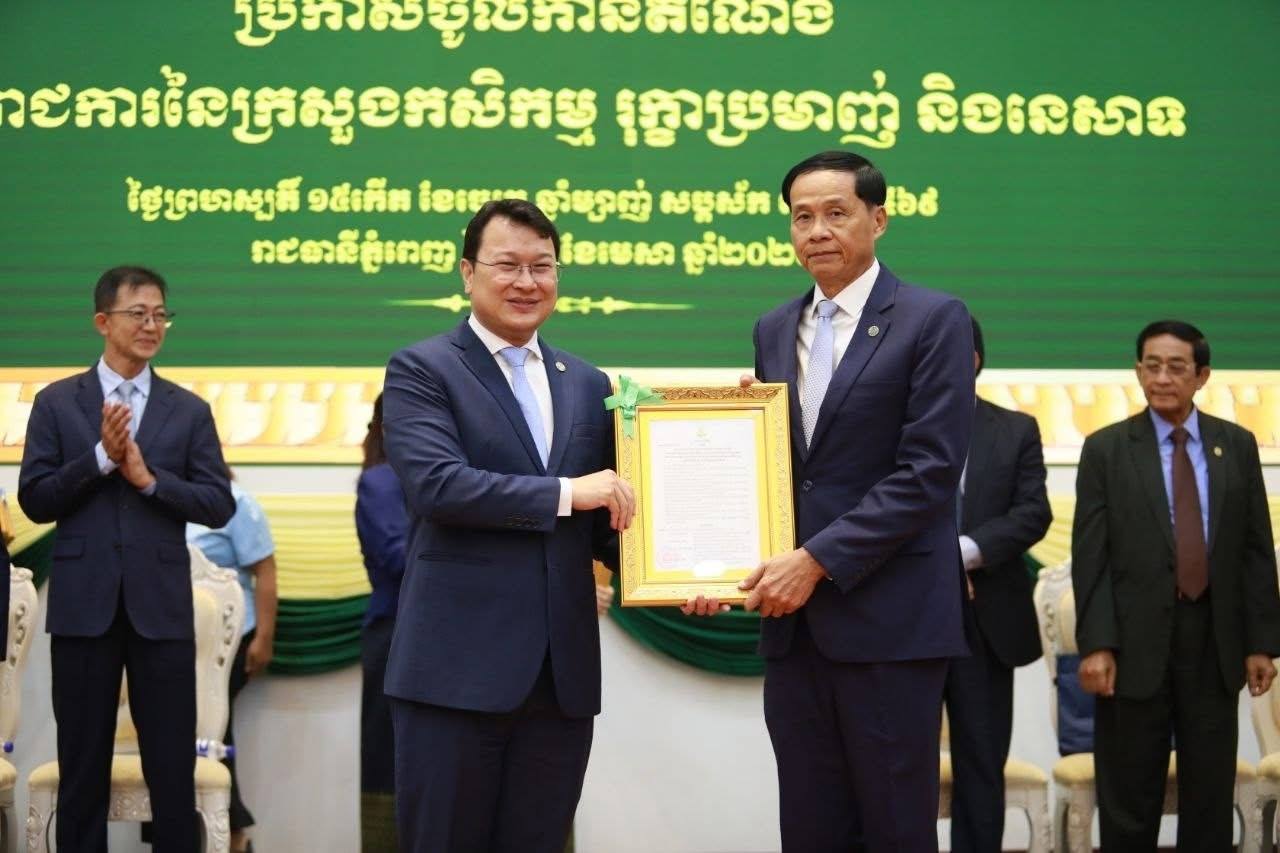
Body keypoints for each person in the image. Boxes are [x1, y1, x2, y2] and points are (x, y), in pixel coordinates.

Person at [688, 150, 975, 850]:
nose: (816, 231)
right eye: (802, 217)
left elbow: (930, 470)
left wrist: (815, 559)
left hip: (891, 622)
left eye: (835, 213)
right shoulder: (773, 327)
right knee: (811, 825)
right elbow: (783, 473)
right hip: (797, 631)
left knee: (894, 827)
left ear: (879, 219)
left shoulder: (933, 319)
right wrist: (713, 564)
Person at [381, 198, 634, 853]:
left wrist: (686, 569)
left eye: (542, 266)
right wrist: (568, 492)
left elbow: (606, 521)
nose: (527, 282)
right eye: (508, 265)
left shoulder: (587, 383)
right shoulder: (422, 368)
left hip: (559, 678)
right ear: (468, 272)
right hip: (455, 673)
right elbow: (439, 486)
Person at [18, 265, 234, 852]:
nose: (151, 325)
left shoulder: (187, 410)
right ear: (102, 322)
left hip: (161, 612)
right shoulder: (57, 403)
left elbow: (217, 503)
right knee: (81, 770)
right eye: (138, 313)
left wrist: (148, 479)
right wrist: (98, 459)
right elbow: (35, 500)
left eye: (160, 315)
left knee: (171, 773)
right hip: (83, 610)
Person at [1073, 320, 1280, 850]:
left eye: (1176, 367)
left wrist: (1261, 642)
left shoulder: (1236, 445)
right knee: (1128, 797)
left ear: (1202, 376)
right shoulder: (1106, 449)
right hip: (1131, 646)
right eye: (1152, 366)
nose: (1162, 378)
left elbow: (1255, 550)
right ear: (1138, 371)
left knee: (1209, 795)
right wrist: (1097, 644)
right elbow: (1091, 557)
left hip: (1214, 644)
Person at [944, 317, 1052, 853]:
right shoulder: (889, 429)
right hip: (906, 623)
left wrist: (959, 555)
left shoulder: (1015, 430)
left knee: (982, 765)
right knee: (897, 766)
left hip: (985, 624)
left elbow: (1033, 513)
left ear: (974, 360)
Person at [184, 462, 277, 853]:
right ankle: (211, 832)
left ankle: (230, 831)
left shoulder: (236, 503)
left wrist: (264, 637)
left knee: (208, 728)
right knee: (188, 732)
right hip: (171, 641)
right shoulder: (160, 499)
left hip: (229, 640)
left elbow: (265, 571)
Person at [354, 392, 405, 853]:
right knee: (389, 763)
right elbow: (397, 558)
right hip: (395, 641)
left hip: (444, 640)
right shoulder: (382, 481)